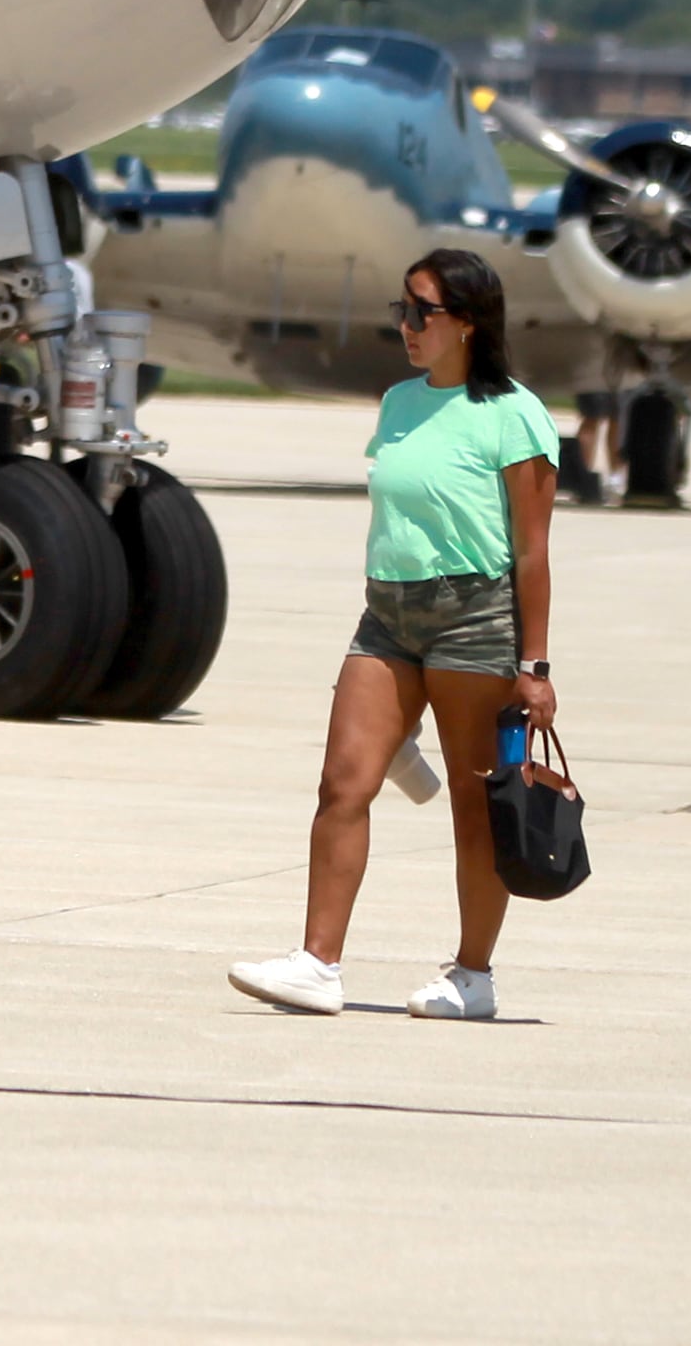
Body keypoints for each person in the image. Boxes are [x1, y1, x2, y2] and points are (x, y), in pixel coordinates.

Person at [233, 248, 562, 1023]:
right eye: (402, 311)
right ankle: (317, 964)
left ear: (468, 323)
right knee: (342, 783)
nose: (407, 325)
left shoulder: (516, 414)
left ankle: (473, 975)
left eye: (423, 312)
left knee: (476, 807)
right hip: (388, 614)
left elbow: (533, 549)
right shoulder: (398, 402)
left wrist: (535, 664)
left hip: (474, 616)